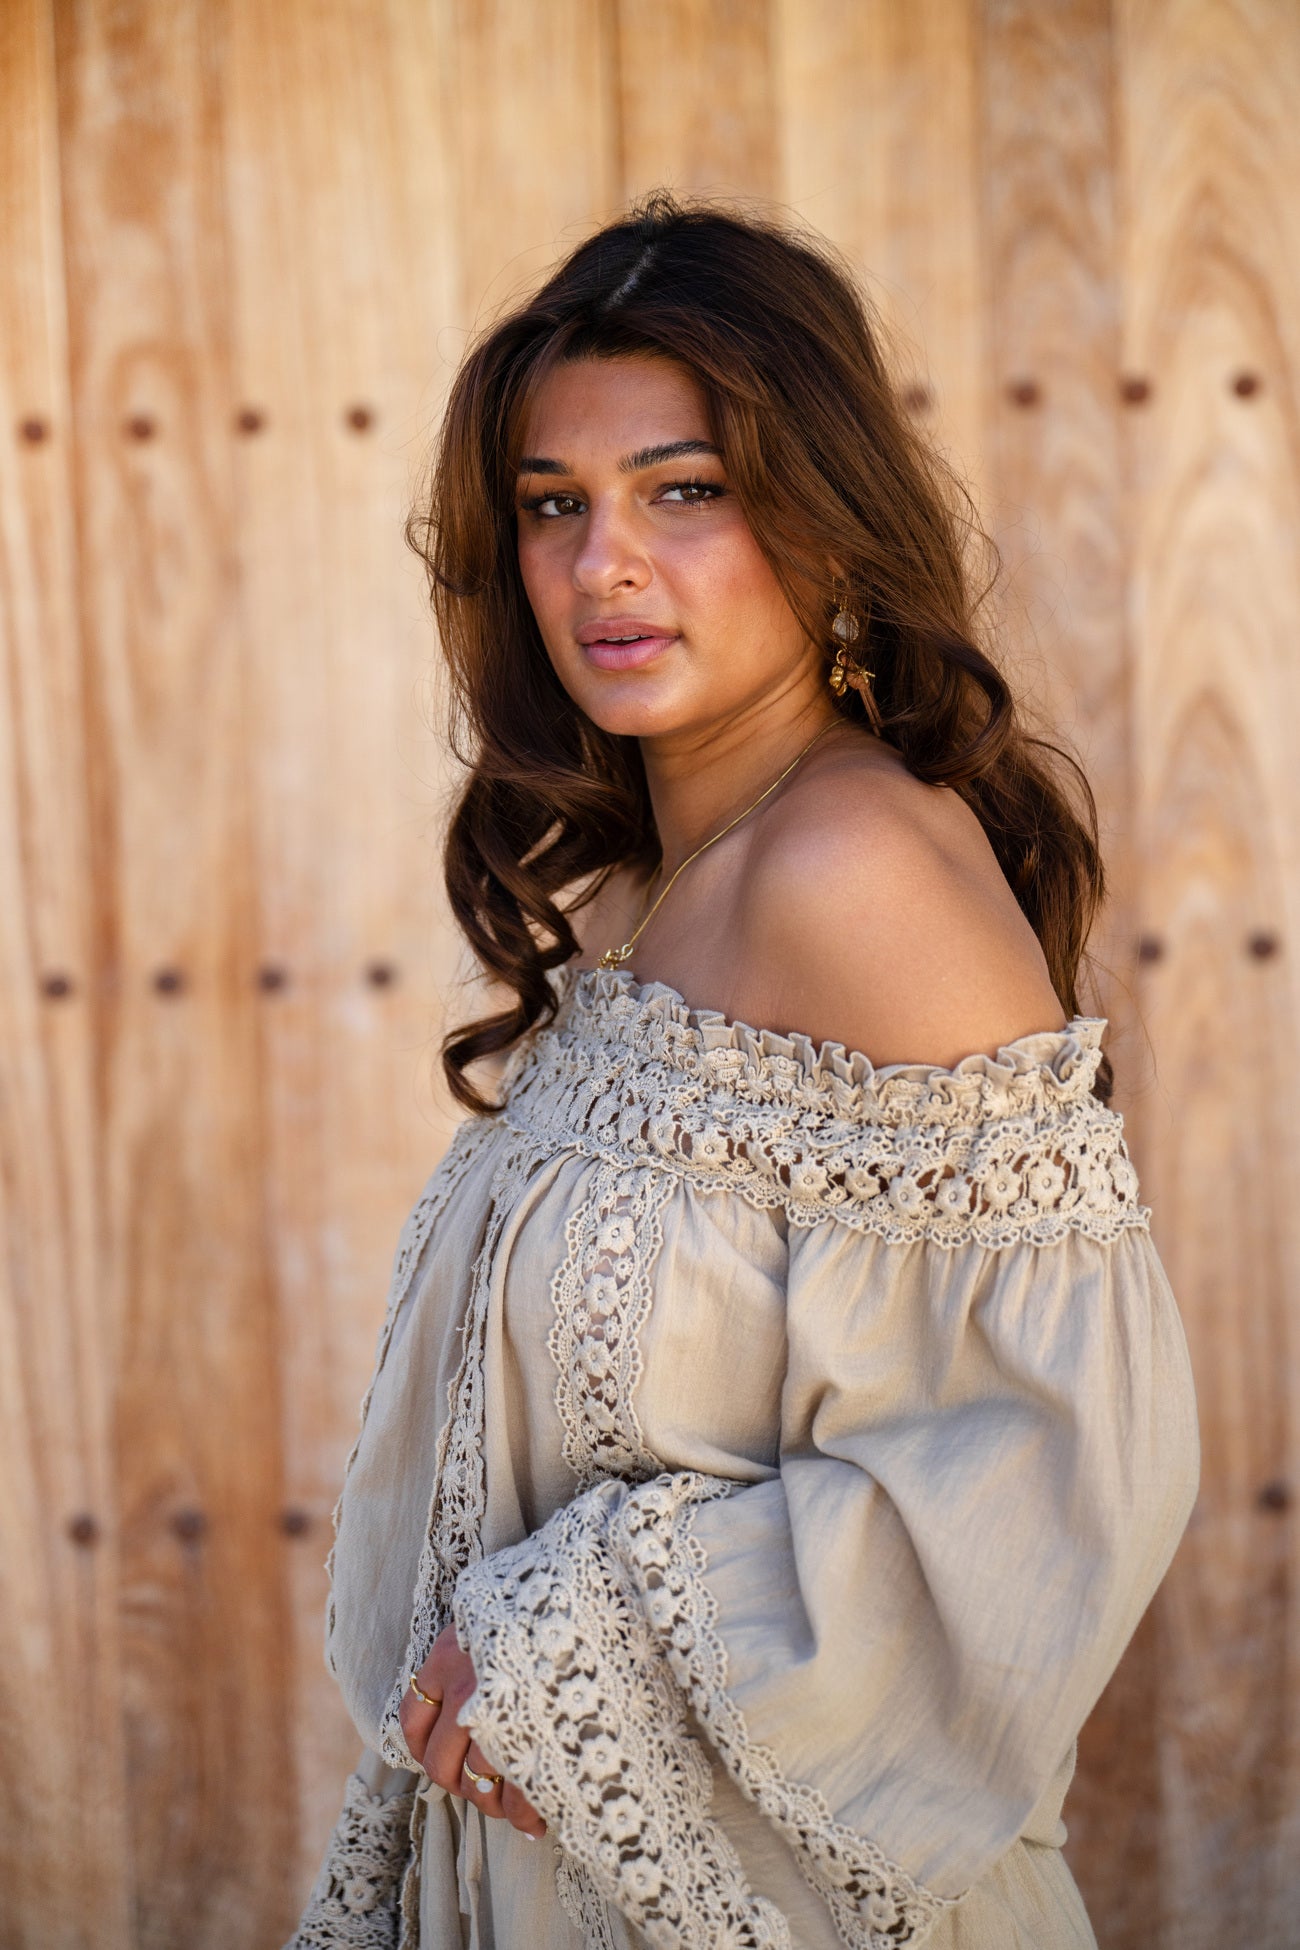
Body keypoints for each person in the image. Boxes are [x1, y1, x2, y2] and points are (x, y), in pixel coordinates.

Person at [285, 192, 1199, 1950]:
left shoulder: (855, 869)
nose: (602, 565)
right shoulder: (637, 886)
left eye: (683, 490)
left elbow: (1052, 1463)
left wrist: (560, 1657)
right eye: (554, 504)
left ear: (825, 521)